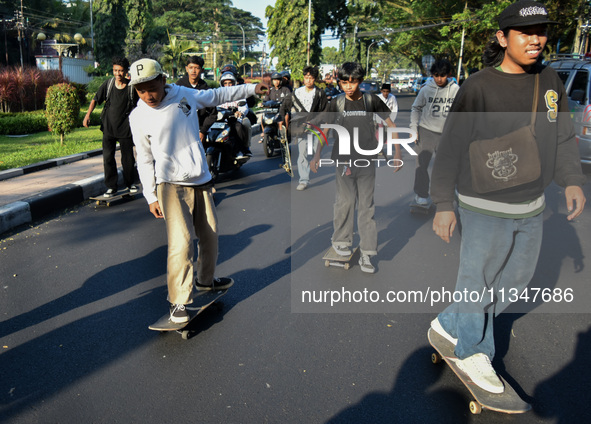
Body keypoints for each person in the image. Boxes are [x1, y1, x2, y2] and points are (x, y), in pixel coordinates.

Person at [430, 0, 586, 394]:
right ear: (503, 38)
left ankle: (450, 322)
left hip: (532, 206)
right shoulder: (478, 86)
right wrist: (443, 205)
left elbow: (564, 135)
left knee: (516, 282)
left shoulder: (550, 81)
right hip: (483, 205)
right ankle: (473, 351)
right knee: (476, 280)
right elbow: (449, 148)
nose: (537, 40)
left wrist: (571, 179)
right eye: (526, 33)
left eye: (542, 32)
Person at [128, 58, 267, 323]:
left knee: (210, 235)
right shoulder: (138, 116)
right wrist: (150, 195)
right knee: (181, 244)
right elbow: (143, 159)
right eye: (140, 90)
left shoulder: (184, 95)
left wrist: (250, 89)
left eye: (151, 87)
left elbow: (217, 95)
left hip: (200, 180)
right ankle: (178, 301)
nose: (148, 95)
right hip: (169, 185)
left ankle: (205, 281)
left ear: (163, 80)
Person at [310, 62, 402, 273]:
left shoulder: (371, 100)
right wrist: (316, 155)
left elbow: (391, 124)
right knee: (345, 201)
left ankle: (368, 253)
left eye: (352, 82)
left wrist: (397, 152)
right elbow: (325, 130)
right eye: (344, 82)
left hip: (366, 160)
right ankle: (341, 241)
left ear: (360, 81)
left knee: (366, 206)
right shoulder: (336, 103)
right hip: (343, 160)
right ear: (339, 82)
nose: (348, 87)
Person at [83, 56, 139, 197]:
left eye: (120, 71)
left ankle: (130, 183)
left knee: (128, 158)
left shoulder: (132, 87)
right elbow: (95, 99)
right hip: (108, 127)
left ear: (126, 71)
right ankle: (111, 186)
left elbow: (141, 105)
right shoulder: (108, 85)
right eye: (115, 70)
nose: (118, 74)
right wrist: (87, 115)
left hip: (126, 128)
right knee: (108, 157)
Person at [410, 59, 459, 206]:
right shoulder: (426, 89)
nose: (439, 79)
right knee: (421, 165)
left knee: (448, 166)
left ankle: (450, 192)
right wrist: (414, 128)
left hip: (447, 133)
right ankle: (421, 194)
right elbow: (415, 108)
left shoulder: (456, 90)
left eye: (442, 75)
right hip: (426, 131)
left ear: (449, 75)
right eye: (436, 75)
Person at [279, 66, 328, 191]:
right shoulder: (297, 92)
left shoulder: (320, 93)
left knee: (316, 150)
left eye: (311, 78)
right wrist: (281, 120)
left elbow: (325, 112)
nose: (308, 80)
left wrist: (313, 122)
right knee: (302, 153)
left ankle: (315, 160)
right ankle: (303, 180)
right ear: (303, 78)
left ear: (315, 79)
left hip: (316, 128)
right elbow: (285, 105)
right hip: (301, 128)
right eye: (306, 78)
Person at [175, 55, 215, 142]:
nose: (193, 71)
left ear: (202, 70)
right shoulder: (178, 87)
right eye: (191, 67)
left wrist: (203, 131)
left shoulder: (206, 90)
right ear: (186, 69)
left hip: (199, 132)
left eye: (196, 68)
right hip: (179, 130)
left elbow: (213, 114)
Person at [217, 72, 252, 159]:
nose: (228, 85)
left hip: (235, 119)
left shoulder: (239, 94)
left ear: (234, 83)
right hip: (220, 120)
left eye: (230, 83)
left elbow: (244, 107)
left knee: (238, 127)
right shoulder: (218, 94)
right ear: (222, 84)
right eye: (225, 83)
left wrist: (240, 112)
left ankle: (240, 150)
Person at [259, 72, 291, 143]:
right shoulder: (270, 91)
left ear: (280, 81)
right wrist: (262, 104)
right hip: (272, 111)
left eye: (278, 80)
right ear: (272, 81)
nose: (276, 82)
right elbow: (266, 100)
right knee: (262, 117)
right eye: (274, 80)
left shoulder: (285, 90)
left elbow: (288, 100)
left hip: (282, 111)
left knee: (286, 116)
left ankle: (284, 134)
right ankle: (264, 132)